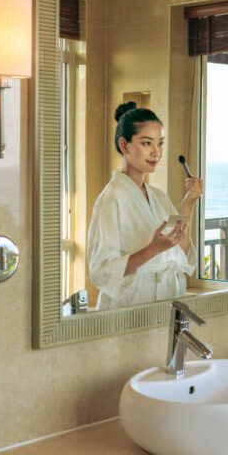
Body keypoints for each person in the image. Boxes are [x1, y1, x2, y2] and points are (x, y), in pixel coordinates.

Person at [87, 102, 204, 310]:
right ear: (124, 146)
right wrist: (152, 249)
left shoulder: (158, 197)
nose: (156, 153)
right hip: (127, 309)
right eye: (147, 143)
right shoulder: (111, 199)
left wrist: (188, 203)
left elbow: (181, 251)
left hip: (163, 306)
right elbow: (101, 271)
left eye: (160, 143)